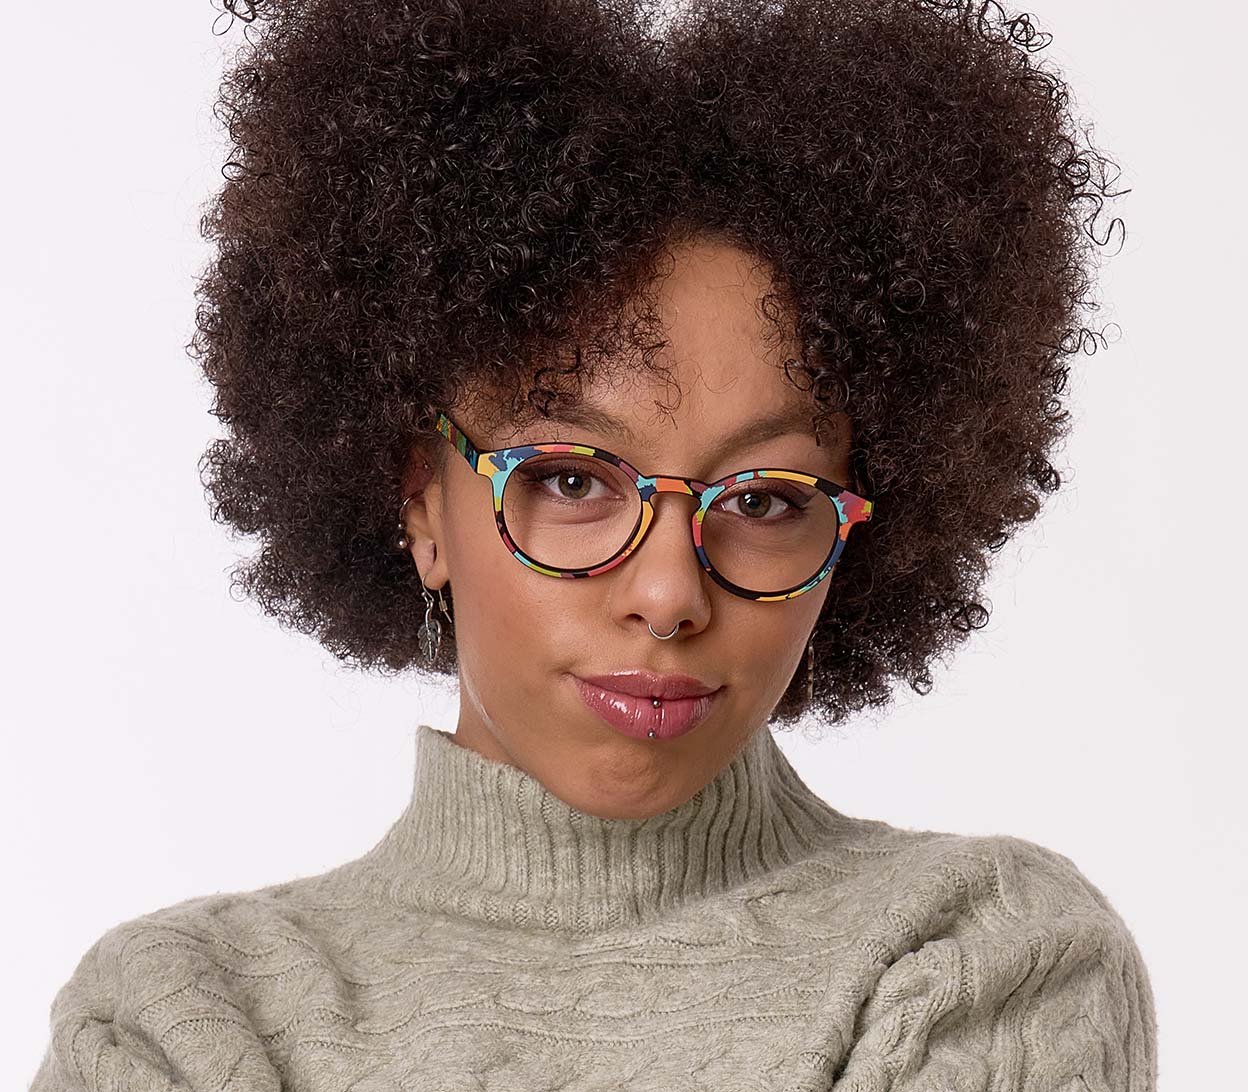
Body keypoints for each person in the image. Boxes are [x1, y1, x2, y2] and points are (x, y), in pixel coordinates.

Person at [30, 0, 1157, 1089]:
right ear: (423, 502)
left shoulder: (985, 957)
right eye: (571, 480)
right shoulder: (186, 1017)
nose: (669, 592)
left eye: (764, 500)